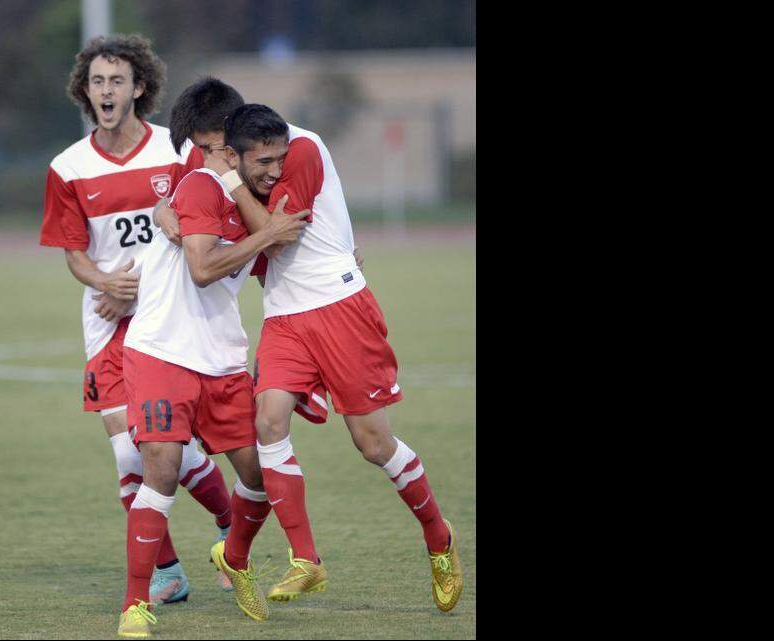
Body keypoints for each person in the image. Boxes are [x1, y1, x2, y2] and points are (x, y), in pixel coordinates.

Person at [159, 81, 464, 612]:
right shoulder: (224, 159)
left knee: (372, 444)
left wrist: (230, 184)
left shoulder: (298, 150)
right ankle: (306, 560)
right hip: (283, 314)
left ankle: (439, 539)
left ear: (235, 138)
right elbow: (171, 207)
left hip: (340, 308)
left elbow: (277, 235)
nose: (206, 160)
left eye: (212, 148)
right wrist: (172, 217)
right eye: (204, 151)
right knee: (268, 421)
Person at [37, 34, 234, 606]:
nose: (106, 90)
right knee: (131, 451)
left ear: (138, 87)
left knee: (163, 446)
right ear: (85, 90)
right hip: (105, 319)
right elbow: (75, 252)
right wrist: (106, 283)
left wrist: (141, 284)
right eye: (97, 81)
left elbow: (200, 218)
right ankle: (170, 571)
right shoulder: (67, 167)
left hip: (167, 312)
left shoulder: (174, 154)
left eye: (116, 80)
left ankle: (227, 526)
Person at [115, 108, 310, 637]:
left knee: (259, 478)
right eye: (211, 147)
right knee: (162, 465)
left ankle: (235, 557)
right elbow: (202, 270)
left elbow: (290, 264)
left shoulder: (257, 199)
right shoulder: (201, 186)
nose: (267, 167)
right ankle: (136, 603)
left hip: (221, 358)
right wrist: (267, 235)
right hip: (162, 352)